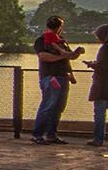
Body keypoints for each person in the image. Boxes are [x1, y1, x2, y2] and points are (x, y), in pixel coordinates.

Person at [31, 15, 81, 143]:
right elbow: (44, 57)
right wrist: (62, 56)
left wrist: (70, 70)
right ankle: (37, 134)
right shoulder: (41, 40)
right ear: (59, 27)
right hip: (50, 77)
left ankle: (51, 134)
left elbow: (70, 56)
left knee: (59, 106)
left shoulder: (61, 40)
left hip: (63, 76)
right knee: (48, 105)